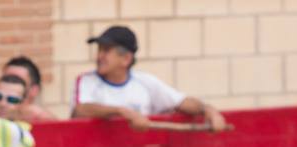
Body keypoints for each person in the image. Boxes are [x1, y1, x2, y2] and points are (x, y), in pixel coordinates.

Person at [70, 25, 227, 132]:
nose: (99, 56)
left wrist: (209, 110)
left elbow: (183, 102)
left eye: (106, 51)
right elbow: (80, 110)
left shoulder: (145, 82)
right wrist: (121, 111)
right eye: (99, 50)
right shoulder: (87, 80)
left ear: (126, 59)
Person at [0, 56, 55, 122]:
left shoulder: (41, 116)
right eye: (6, 78)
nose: (9, 83)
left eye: (17, 80)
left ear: (34, 90)